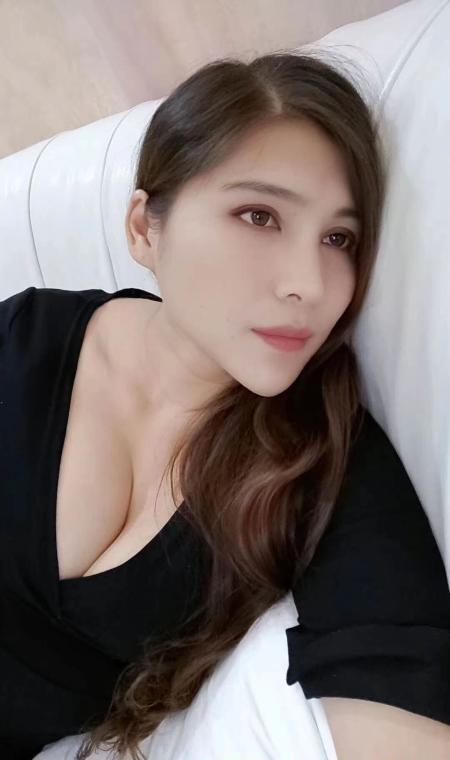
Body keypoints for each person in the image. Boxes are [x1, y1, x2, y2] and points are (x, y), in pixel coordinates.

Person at [0, 51, 449, 760]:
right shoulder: (21, 341)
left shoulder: (318, 456)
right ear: (145, 228)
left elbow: (397, 668)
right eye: (259, 215)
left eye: (339, 238)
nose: (310, 284)